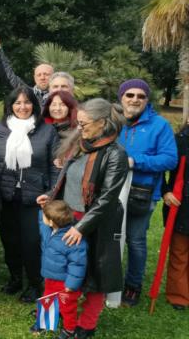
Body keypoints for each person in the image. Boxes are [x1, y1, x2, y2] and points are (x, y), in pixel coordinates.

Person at [38, 98, 129, 338]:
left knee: (95, 276)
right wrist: (50, 197)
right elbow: (67, 178)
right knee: (60, 269)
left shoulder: (115, 155)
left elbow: (106, 199)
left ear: (102, 123)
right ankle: (54, 314)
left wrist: (81, 228)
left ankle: (86, 325)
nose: (80, 128)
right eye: (78, 123)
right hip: (68, 217)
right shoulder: (81, 144)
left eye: (85, 124)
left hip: (96, 223)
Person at [0, 86, 59, 303]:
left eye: (27, 102)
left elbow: (55, 166)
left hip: (35, 197)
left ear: (34, 105)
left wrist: (51, 192)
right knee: (10, 241)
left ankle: (35, 284)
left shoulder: (46, 130)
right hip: (6, 195)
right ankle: (15, 278)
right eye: (17, 102)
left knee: (31, 242)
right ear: (10, 105)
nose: (22, 107)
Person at [116, 78, 178, 306]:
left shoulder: (159, 125)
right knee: (108, 239)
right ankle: (106, 283)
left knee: (135, 240)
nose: (135, 99)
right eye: (130, 95)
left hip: (141, 194)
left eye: (141, 96)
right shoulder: (113, 120)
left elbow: (169, 159)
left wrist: (135, 161)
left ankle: (132, 286)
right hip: (110, 192)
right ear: (121, 97)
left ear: (147, 100)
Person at [39, 200, 88, 339]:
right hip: (50, 278)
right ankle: (44, 323)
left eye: (44, 215)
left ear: (51, 221)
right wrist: (44, 207)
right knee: (47, 300)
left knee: (68, 308)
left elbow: (78, 264)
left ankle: (69, 330)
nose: (42, 217)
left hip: (65, 284)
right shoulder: (48, 228)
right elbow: (41, 220)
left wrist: (71, 285)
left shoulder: (72, 239)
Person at [0, 33, 53, 104]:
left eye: (46, 74)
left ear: (54, 76)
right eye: (39, 75)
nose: (42, 77)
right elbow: (8, 75)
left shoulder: (63, 96)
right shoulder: (27, 93)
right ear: (34, 77)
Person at [165, 122, 189, 310]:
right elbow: (164, 171)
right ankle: (179, 295)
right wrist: (166, 192)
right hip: (182, 204)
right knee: (179, 251)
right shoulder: (179, 141)